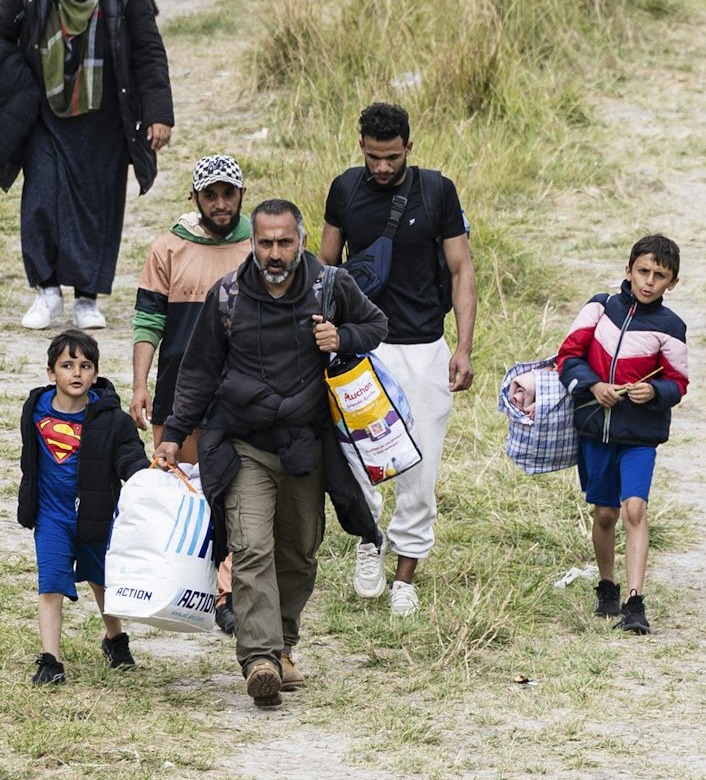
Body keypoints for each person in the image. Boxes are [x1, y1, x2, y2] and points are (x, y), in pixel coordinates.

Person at [156, 200, 388, 709]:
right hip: (244, 443)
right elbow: (197, 371)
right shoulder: (229, 296)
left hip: (306, 444)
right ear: (252, 243)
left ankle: (282, 643)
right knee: (252, 546)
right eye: (265, 243)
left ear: (300, 240)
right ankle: (259, 659)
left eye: (284, 242)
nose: (275, 253)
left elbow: (376, 326)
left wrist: (342, 335)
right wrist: (173, 433)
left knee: (299, 552)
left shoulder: (331, 285)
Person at [318, 102, 475, 618]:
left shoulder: (437, 191)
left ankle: (405, 575)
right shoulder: (345, 189)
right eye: (373, 157)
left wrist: (465, 347)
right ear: (360, 146)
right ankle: (369, 540)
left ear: (410, 146)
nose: (382, 167)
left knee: (420, 469)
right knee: (360, 460)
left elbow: (461, 270)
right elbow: (326, 268)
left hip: (426, 348)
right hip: (363, 349)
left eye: (391, 157)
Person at [0, 0, 173, 331]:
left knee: (98, 207)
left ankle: (88, 298)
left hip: (105, 118)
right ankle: (47, 292)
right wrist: (10, 82)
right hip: (44, 113)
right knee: (41, 200)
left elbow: (148, 51)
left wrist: (158, 113)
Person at [131, 153, 252, 632]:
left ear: (242, 195)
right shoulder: (167, 249)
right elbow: (148, 320)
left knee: (235, 493)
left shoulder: (257, 246)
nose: (220, 204)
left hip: (239, 395)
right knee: (182, 490)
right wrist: (140, 384)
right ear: (195, 198)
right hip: (177, 394)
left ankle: (227, 593)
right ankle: (182, 583)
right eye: (211, 195)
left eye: (229, 194)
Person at [557, 235, 690, 635]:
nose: (649, 282)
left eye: (660, 276)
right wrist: (594, 385)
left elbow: (679, 383)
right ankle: (607, 585)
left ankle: (635, 602)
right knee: (605, 514)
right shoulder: (600, 308)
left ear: (672, 283)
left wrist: (656, 392)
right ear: (628, 270)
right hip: (595, 430)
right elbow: (568, 357)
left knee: (634, 509)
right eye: (643, 271)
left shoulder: (671, 327)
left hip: (640, 435)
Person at [17, 330, 148, 684]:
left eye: (85, 365)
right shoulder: (34, 409)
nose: (76, 373)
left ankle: (114, 638)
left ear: (95, 373)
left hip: (97, 513)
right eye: (67, 365)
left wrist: (144, 476)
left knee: (101, 580)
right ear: (50, 373)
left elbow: (130, 457)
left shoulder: (112, 419)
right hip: (51, 516)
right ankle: (50, 660)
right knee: (51, 585)